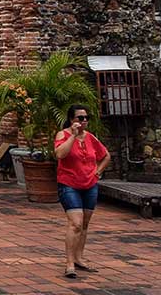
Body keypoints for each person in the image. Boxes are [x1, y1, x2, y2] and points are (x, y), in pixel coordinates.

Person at [53, 104, 111, 279]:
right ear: (72, 120)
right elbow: (60, 154)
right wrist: (73, 135)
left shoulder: (91, 138)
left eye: (86, 118)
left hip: (90, 185)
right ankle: (69, 263)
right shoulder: (63, 135)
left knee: (84, 225)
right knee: (75, 223)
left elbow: (106, 155)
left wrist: (98, 171)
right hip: (69, 184)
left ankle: (79, 258)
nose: (84, 121)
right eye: (80, 118)